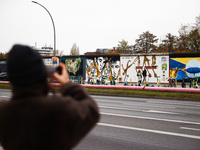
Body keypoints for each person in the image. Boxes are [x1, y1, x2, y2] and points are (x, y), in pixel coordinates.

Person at [0, 44, 100, 150]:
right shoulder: (56, 108)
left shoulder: (4, 112)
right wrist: (66, 83)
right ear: (42, 74)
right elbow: (92, 110)